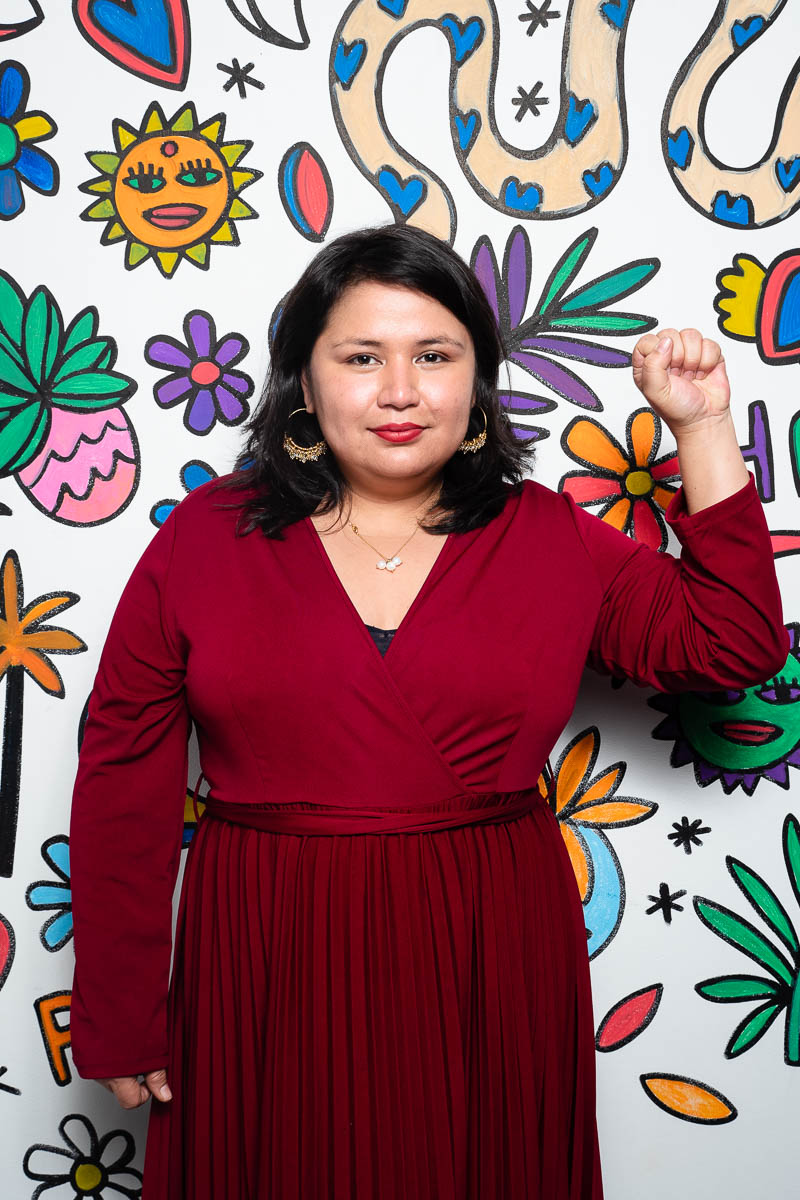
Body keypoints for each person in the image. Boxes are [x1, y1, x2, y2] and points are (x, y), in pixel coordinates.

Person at [68, 223, 788, 1199]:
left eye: (433, 356)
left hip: (485, 946)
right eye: (360, 358)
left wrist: (699, 428)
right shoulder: (205, 537)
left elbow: (728, 648)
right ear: (304, 384)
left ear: (476, 383)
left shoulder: (550, 540)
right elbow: (123, 777)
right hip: (267, 949)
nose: (399, 390)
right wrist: (117, 1011)